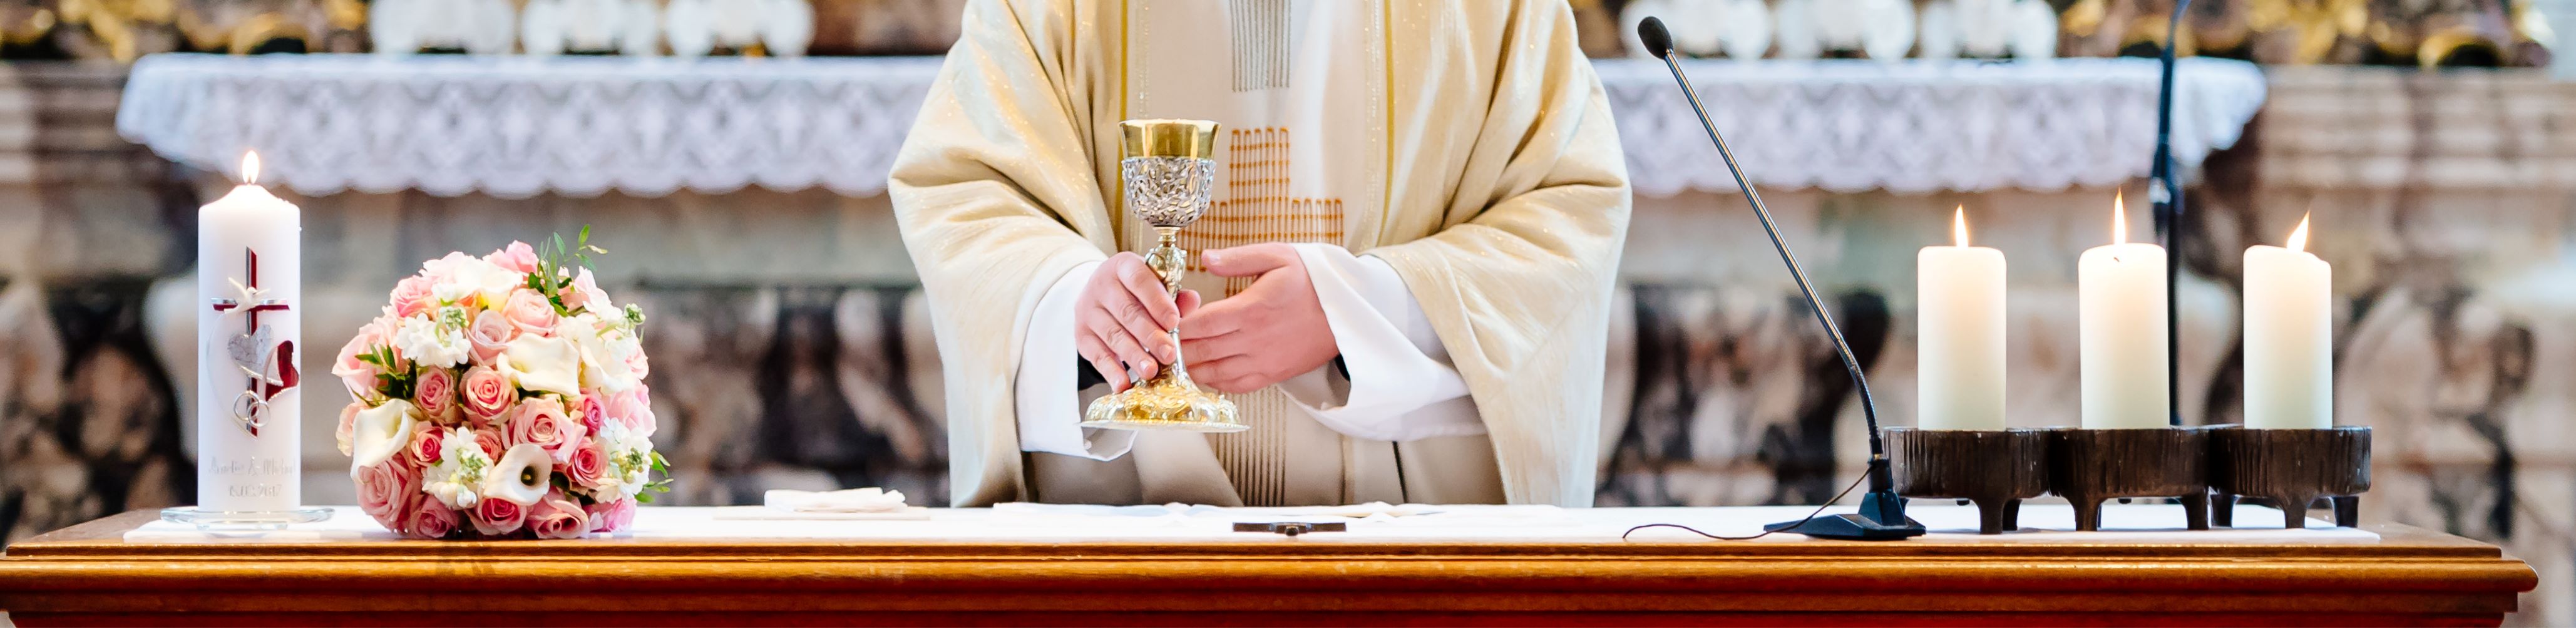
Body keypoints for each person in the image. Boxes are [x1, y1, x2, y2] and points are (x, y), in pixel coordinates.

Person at [890, 0, 1629, 507]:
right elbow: (965, 191)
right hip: (1125, 559)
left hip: (1398, 562)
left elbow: (1565, 212)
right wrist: (1073, 307)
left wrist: (1355, 314)